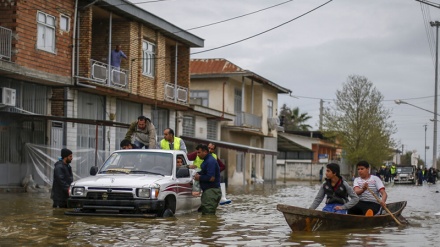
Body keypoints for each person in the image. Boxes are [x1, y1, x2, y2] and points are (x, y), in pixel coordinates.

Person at [194, 144, 221, 215]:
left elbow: (211, 178)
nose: (197, 155)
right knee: (206, 215)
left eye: (199, 152)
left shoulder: (210, 161)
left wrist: (199, 177)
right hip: (209, 192)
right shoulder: (206, 160)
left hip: (211, 192)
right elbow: (205, 173)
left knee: (208, 216)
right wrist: (197, 173)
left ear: (205, 152)